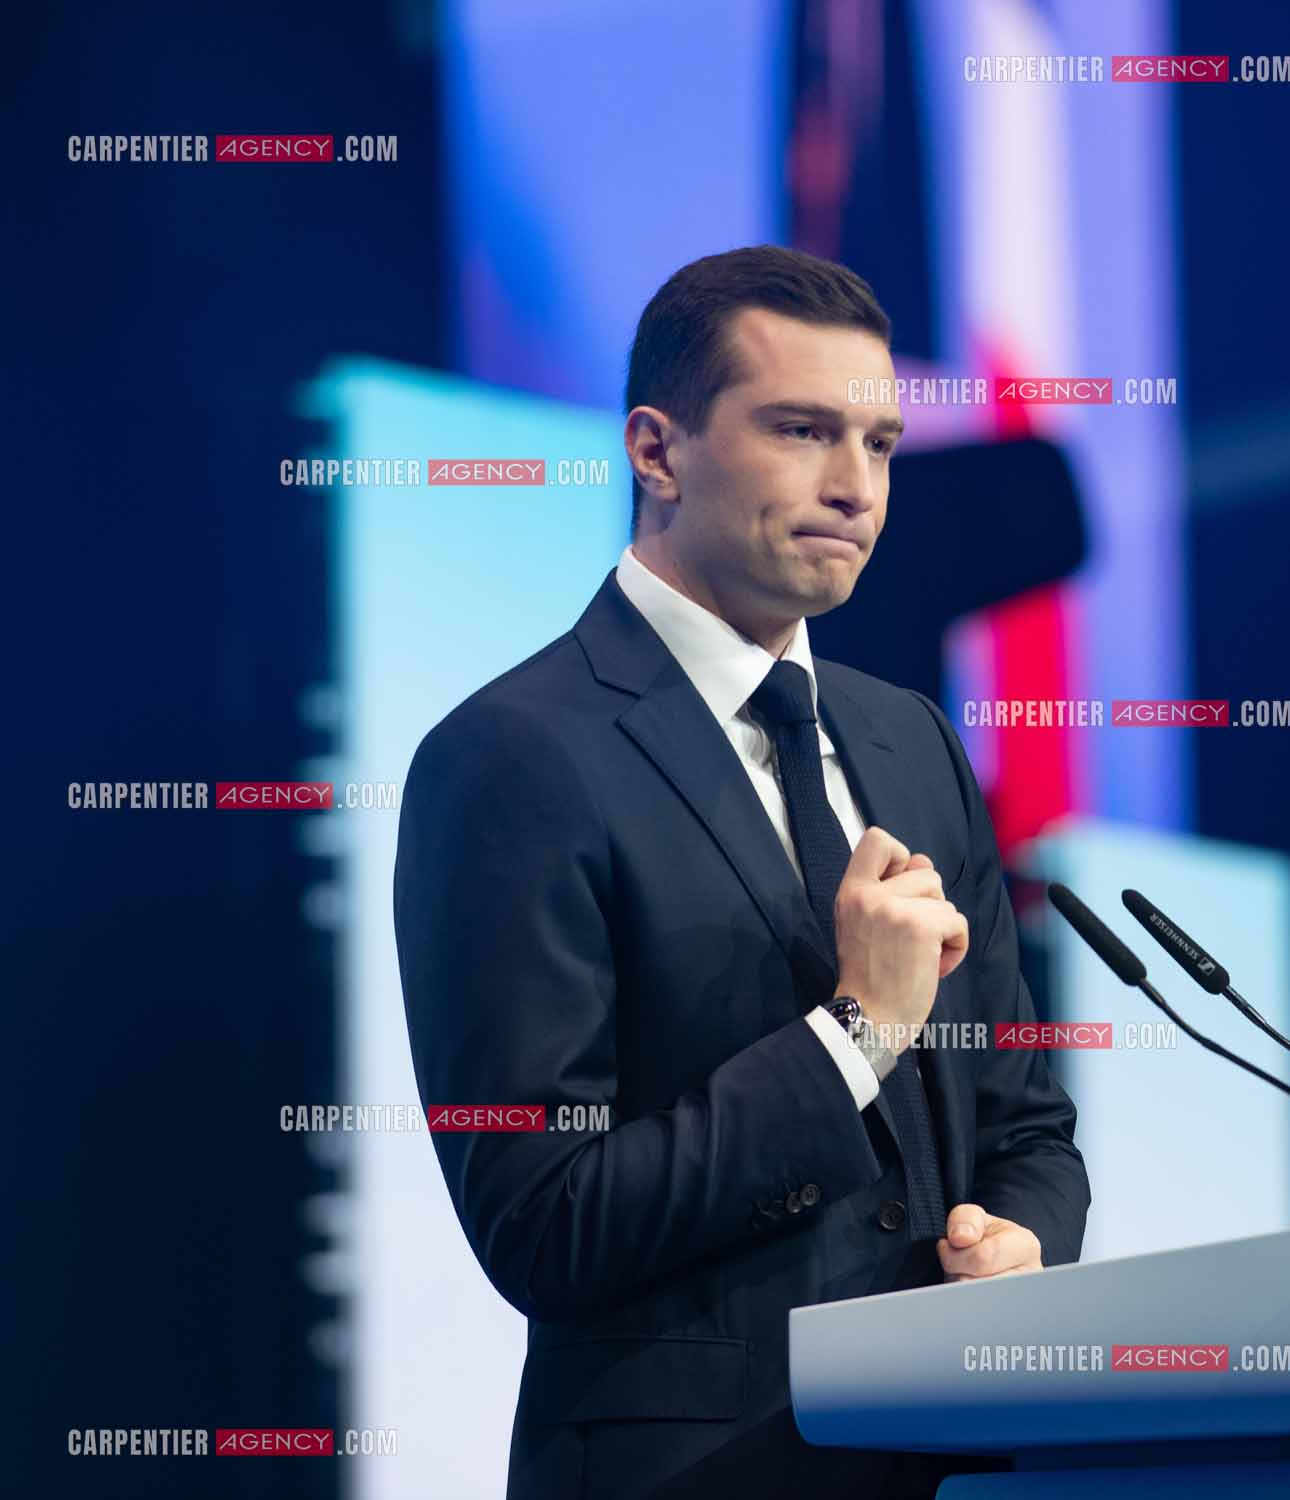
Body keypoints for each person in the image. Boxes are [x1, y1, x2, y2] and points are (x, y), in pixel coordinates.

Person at [394, 245, 1090, 1499]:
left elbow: (1027, 1121)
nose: (855, 487)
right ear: (656, 451)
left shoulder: (914, 741)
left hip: (958, 1471)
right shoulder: (510, 759)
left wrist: (1026, 1237)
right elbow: (541, 1221)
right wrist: (858, 1032)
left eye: (878, 445)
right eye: (801, 431)